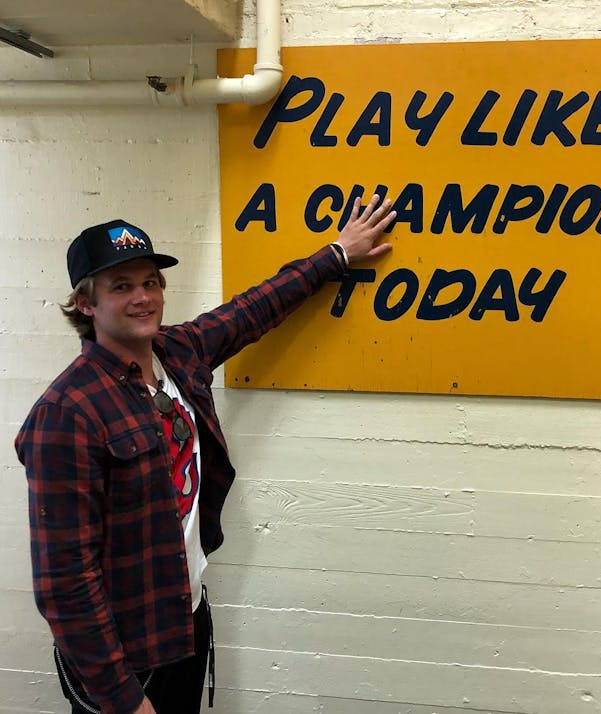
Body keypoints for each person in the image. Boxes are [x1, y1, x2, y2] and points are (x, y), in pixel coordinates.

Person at [15, 194, 396, 714]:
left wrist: (338, 253)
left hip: (185, 621)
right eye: (121, 286)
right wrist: (124, 699)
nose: (143, 297)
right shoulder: (68, 412)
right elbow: (64, 583)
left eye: (151, 282)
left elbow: (252, 309)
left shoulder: (177, 353)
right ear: (85, 304)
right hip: (126, 658)